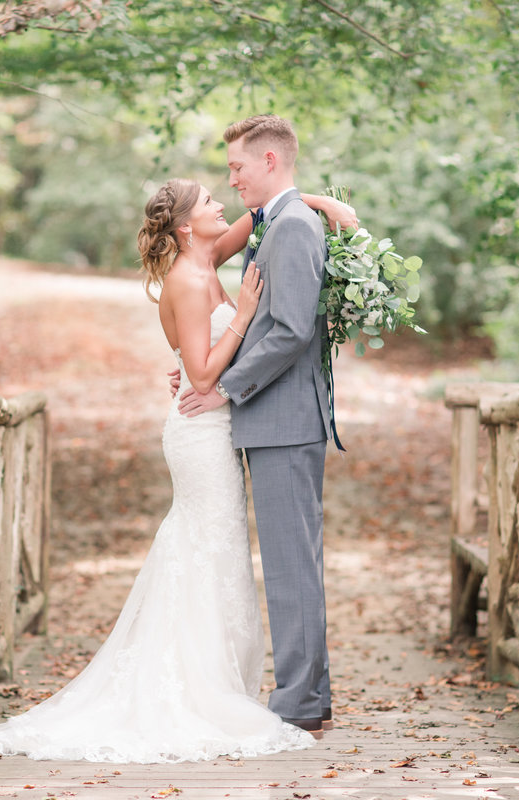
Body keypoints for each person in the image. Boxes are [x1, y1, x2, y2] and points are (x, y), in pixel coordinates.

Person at [0, 174, 353, 763]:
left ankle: (218, 680)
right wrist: (240, 315)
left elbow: (269, 215)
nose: (223, 201)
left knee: (220, 550)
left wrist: (315, 201)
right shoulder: (186, 282)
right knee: (202, 544)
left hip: (216, 423)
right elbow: (206, 376)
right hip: (200, 429)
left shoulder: (211, 254)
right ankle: (190, 686)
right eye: (210, 200)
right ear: (187, 224)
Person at [177, 115, 348, 740]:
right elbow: (266, 321)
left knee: (291, 564)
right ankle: (306, 694)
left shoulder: (294, 226)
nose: (232, 178)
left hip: (285, 419)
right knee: (287, 561)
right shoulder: (282, 219)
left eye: (238, 168)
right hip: (272, 417)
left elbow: (291, 329)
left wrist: (224, 386)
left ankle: (301, 700)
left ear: (270, 161)